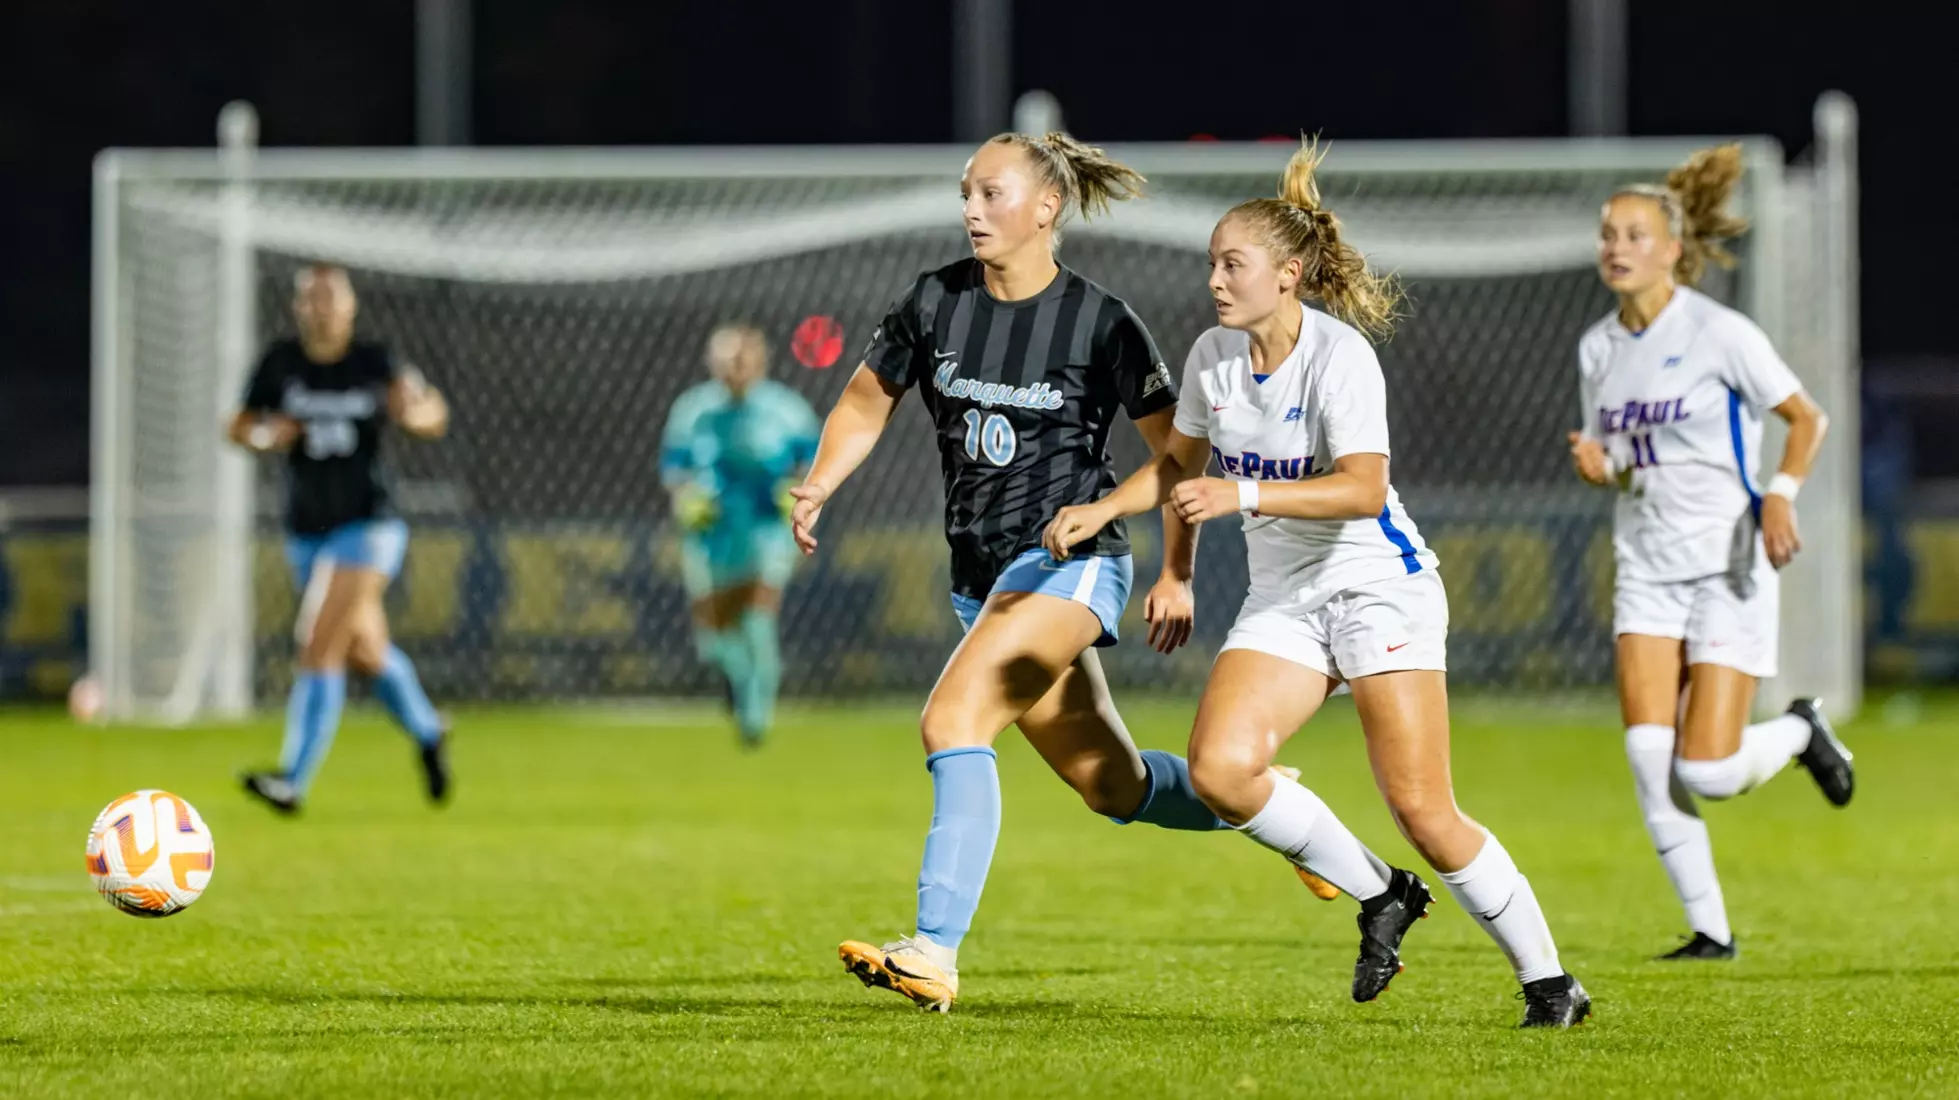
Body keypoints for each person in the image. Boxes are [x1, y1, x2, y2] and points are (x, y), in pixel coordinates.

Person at [793, 131, 1357, 1013]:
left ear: (1045, 208)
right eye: (966, 195)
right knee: (1113, 785)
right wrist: (822, 480)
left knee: (951, 721)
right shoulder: (934, 300)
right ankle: (1268, 803)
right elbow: (868, 397)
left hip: (1071, 565)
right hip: (981, 578)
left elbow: (1179, 455)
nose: (971, 210)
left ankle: (933, 952)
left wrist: (1174, 566)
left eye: (990, 194)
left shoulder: (1099, 320)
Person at [1045, 138, 1592, 1028]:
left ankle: (1549, 983)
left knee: (1421, 804)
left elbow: (1362, 488)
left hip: (1378, 585)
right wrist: (1126, 526)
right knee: (1223, 773)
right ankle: (1381, 894)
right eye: (1212, 263)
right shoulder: (1212, 356)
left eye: (1234, 263)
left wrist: (1244, 491)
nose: (1216, 279)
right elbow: (1181, 472)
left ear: (1288, 273)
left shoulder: (1338, 357)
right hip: (1285, 598)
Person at [1569, 144, 1851, 961]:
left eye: (1631, 234)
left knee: (1712, 771)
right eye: (1605, 234)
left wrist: (1779, 495)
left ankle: (1799, 732)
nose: (1614, 247)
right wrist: (1599, 465)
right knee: (1647, 758)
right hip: (1645, 567)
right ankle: (1710, 933)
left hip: (1726, 562)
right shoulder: (1596, 349)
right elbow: (1620, 458)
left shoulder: (1718, 332)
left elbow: (1806, 418)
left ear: (1670, 249)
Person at [230, 263, 452, 813]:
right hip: (308, 530)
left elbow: (431, 410)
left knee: (318, 641)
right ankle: (428, 730)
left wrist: (416, 415)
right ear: (298, 307)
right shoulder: (280, 364)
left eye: (332, 297)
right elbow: (238, 426)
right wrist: (265, 435)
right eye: (312, 298)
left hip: (369, 526)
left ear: (350, 307)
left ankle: (293, 779)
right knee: (366, 651)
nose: (322, 307)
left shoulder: (376, 362)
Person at [660, 324, 820, 747]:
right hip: (713, 534)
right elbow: (675, 470)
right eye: (727, 358)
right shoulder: (693, 411)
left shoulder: (787, 411)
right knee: (713, 635)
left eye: (742, 358)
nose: (735, 367)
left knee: (757, 617)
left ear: (759, 361)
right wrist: (686, 500)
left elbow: (813, 462)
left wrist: (798, 496)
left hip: (766, 532)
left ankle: (755, 718)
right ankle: (736, 677)